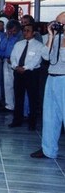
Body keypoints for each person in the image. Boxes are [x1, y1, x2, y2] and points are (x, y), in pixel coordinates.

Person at [31, 12, 65, 159]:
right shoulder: (55, 38)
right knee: (50, 116)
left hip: (63, 80)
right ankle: (48, 149)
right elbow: (45, 56)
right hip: (51, 78)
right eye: (56, 22)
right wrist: (51, 36)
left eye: (60, 24)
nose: (57, 26)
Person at [9, 24, 47, 130]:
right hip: (18, 72)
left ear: (34, 32)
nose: (25, 32)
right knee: (18, 97)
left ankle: (32, 122)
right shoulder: (18, 44)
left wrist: (25, 68)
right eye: (24, 30)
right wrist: (15, 66)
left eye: (28, 31)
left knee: (32, 98)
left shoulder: (39, 46)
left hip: (31, 73)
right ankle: (17, 120)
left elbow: (37, 60)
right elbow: (13, 56)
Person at [0, 20, 21, 113]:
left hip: (16, 63)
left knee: (16, 85)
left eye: (13, 31)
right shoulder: (6, 37)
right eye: (9, 30)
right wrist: (7, 38)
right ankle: (9, 105)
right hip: (6, 62)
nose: (11, 32)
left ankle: (17, 106)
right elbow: (0, 50)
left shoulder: (20, 39)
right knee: (7, 85)